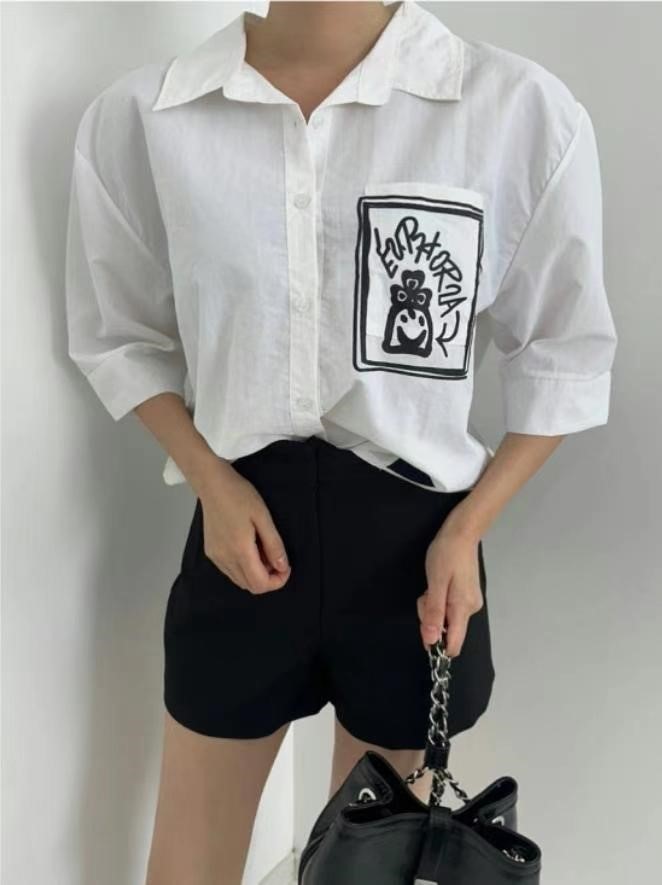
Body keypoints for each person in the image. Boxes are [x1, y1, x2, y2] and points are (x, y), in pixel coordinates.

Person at [64, 1, 618, 882]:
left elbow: (566, 352)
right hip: (240, 532)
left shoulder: (515, 112)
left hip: (420, 558)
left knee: (377, 868)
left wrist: (468, 528)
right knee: (187, 864)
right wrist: (209, 478)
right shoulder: (148, 117)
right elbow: (120, 334)